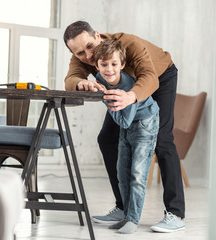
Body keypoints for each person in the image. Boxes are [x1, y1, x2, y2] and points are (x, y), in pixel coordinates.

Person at [63, 20, 185, 232]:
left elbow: (149, 77)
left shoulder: (129, 44)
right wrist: (80, 83)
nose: (88, 56)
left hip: (159, 78)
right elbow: (71, 78)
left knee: (163, 140)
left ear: (98, 35)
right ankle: (123, 207)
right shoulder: (81, 57)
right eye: (80, 53)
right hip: (125, 91)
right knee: (106, 139)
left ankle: (176, 213)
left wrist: (131, 96)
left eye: (90, 46)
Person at [93, 39, 159, 234]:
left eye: (114, 64)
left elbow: (123, 122)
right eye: (104, 64)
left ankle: (133, 219)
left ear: (122, 65)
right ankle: (125, 216)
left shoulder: (128, 87)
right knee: (122, 173)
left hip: (145, 123)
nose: (109, 69)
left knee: (137, 175)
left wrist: (105, 98)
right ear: (97, 65)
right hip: (128, 124)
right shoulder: (99, 77)